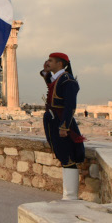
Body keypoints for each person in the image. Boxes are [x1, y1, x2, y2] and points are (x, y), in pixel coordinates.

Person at [40, 52, 85, 200]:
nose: (48, 62)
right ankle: (68, 195)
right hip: (53, 122)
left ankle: (70, 197)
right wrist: (45, 70)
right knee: (62, 155)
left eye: (50, 60)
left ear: (60, 63)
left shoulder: (67, 80)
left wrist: (64, 126)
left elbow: (70, 106)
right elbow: (47, 79)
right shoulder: (57, 79)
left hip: (61, 123)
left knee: (68, 157)